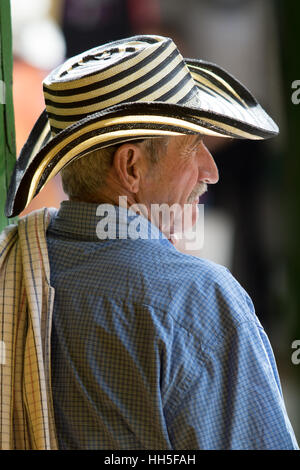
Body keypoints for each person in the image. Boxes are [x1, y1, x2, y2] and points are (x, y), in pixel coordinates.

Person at [1, 35, 298, 450]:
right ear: (131, 167)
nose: (210, 170)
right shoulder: (199, 301)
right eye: (193, 146)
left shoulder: (11, 268)